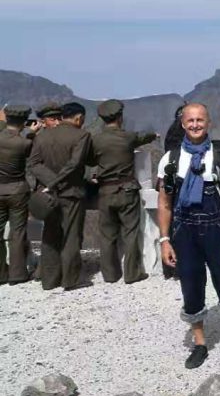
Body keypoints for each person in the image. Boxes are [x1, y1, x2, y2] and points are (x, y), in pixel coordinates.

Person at [156, 103, 220, 368]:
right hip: (184, 230)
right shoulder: (170, 159)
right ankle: (200, 343)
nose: (195, 125)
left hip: (218, 227)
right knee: (190, 283)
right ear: (183, 124)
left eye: (200, 120)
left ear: (209, 123)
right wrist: (165, 240)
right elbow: (164, 203)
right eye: (190, 120)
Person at [89, 99, 157, 284]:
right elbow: (144, 136)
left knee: (107, 235)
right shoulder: (128, 137)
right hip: (127, 190)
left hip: (105, 191)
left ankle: (110, 275)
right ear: (120, 117)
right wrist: (154, 135)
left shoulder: (95, 140)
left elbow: (90, 160)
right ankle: (132, 273)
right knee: (130, 232)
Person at [28, 101, 92, 291]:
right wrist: (56, 181)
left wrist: (49, 182)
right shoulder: (82, 135)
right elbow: (74, 164)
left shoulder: (42, 136)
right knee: (71, 235)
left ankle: (49, 280)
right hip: (71, 192)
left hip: (48, 194)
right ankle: (70, 279)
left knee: (50, 235)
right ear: (79, 118)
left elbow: (34, 164)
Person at [0, 104, 34, 285]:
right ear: (24, 121)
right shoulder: (24, 142)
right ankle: (17, 274)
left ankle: (1, 274)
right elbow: (31, 154)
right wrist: (32, 134)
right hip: (18, 190)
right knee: (18, 232)